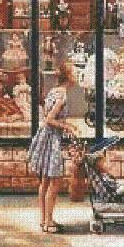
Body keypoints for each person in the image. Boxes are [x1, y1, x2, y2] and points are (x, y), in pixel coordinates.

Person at [27, 62, 79, 233]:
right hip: (52, 140)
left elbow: (49, 116)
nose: (77, 76)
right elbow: (49, 118)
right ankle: (49, 222)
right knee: (54, 182)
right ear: (68, 76)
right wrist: (67, 127)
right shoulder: (62, 94)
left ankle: (44, 219)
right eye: (74, 73)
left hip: (45, 137)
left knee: (45, 181)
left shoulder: (54, 91)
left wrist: (66, 124)